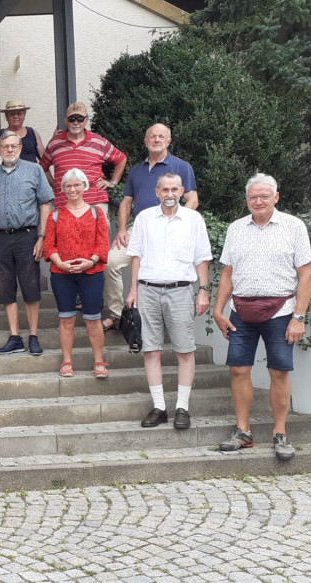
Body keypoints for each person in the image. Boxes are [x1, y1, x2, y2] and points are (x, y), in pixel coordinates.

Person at [213, 173, 311, 461]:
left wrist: (299, 317)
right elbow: (227, 274)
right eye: (252, 197)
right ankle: (243, 432)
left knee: (279, 372)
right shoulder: (236, 229)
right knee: (238, 370)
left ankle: (280, 433)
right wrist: (219, 312)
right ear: (247, 200)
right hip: (241, 312)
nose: (258, 201)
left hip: (282, 312)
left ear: (276, 198)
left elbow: (305, 274)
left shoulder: (294, 227)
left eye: (264, 196)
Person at [126, 173, 212, 431]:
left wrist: (204, 290)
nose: (170, 193)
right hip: (148, 290)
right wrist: (133, 290)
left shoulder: (194, 219)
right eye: (165, 189)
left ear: (182, 191)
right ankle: (160, 407)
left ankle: (182, 407)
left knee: (184, 350)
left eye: (175, 189)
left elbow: (202, 258)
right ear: (157, 192)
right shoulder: (144, 218)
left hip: (181, 290)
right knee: (151, 350)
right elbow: (136, 256)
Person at [103, 123, 198, 331]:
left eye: (161, 136)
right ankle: (117, 314)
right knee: (110, 262)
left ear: (168, 142)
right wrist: (121, 230)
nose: (156, 140)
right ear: (146, 142)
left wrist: (179, 223)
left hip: (170, 227)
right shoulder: (136, 170)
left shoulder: (182, 167)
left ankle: (164, 318)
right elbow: (126, 202)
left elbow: (192, 200)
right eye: (152, 137)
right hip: (139, 227)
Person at [0, 132, 56, 356]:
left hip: (28, 235)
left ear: (20, 147)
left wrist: (42, 237)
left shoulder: (34, 170)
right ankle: (15, 337)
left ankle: (34, 336)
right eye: (5, 146)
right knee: (5, 287)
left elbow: (45, 206)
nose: (9, 150)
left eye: (14, 146)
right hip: (0, 237)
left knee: (30, 286)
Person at [43, 170, 110, 378]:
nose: (72, 189)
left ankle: (99, 361)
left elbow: (103, 245)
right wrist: (60, 264)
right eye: (68, 186)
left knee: (93, 318)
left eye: (76, 185)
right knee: (66, 319)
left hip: (92, 272)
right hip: (62, 274)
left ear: (84, 186)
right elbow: (48, 246)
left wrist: (90, 262)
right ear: (62, 189)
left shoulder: (96, 213)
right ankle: (66, 361)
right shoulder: (55, 215)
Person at [39, 102, 126, 222]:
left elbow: (121, 159)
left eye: (80, 119)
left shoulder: (99, 142)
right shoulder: (55, 143)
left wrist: (113, 181)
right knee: (66, 240)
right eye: (72, 119)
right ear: (65, 120)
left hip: (95, 204)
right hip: (64, 204)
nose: (76, 123)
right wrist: (56, 186)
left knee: (99, 240)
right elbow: (43, 167)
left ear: (86, 120)